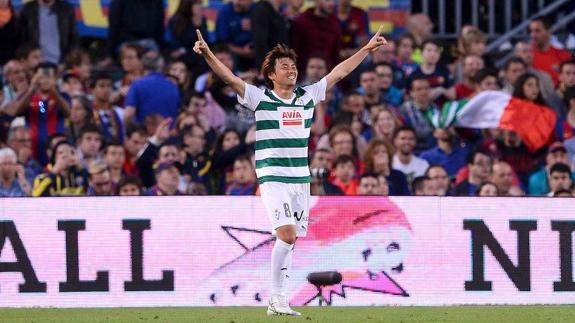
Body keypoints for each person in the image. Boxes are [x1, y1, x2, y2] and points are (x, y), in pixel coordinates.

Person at [193, 24, 386, 315]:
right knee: (285, 234)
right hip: (273, 177)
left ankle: (278, 298)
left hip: (300, 179)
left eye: (293, 66)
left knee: (291, 239)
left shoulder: (307, 97)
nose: (291, 71)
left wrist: (367, 50)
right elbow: (229, 78)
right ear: (271, 74)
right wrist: (207, 53)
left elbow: (339, 73)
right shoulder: (261, 98)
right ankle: (276, 297)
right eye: (285, 67)